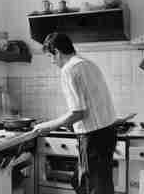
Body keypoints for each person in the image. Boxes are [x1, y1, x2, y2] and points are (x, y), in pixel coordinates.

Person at [33, 32, 118, 194]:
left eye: (51, 57)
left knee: (91, 188)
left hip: (93, 137)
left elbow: (78, 112)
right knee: (94, 184)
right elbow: (90, 105)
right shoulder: (88, 64)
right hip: (107, 133)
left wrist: (47, 126)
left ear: (57, 52)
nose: (52, 62)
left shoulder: (69, 69)